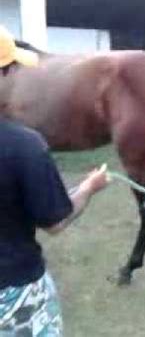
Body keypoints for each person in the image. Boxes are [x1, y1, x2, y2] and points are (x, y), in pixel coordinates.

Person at [0, 26, 110, 336]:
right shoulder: (23, 146)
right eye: (14, 69)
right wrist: (89, 187)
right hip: (14, 289)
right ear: (3, 74)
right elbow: (55, 222)